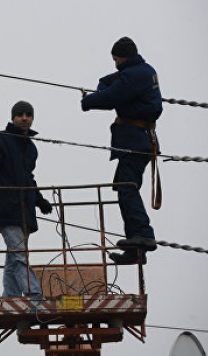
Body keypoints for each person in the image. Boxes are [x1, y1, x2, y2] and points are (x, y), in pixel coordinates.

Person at [81, 36, 162, 265]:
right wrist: (103, 88)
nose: (115, 64)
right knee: (124, 188)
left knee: (128, 188)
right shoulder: (139, 71)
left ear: (124, 57)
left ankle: (143, 235)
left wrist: (88, 102)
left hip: (135, 142)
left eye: (116, 59)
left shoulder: (135, 75)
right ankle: (136, 249)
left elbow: (111, 97)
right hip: (137, 141)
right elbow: (108, 82)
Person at [0, 101, 52, 297]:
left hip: (24, 211)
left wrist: (39, 200)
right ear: (13, 118)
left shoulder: (30, 148)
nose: (25, 118)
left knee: (13, 255)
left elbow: (28, 178)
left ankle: (10, 296)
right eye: (20, 114)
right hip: (6, 207)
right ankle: (34, 294)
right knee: (19, 254)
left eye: (28, 114)